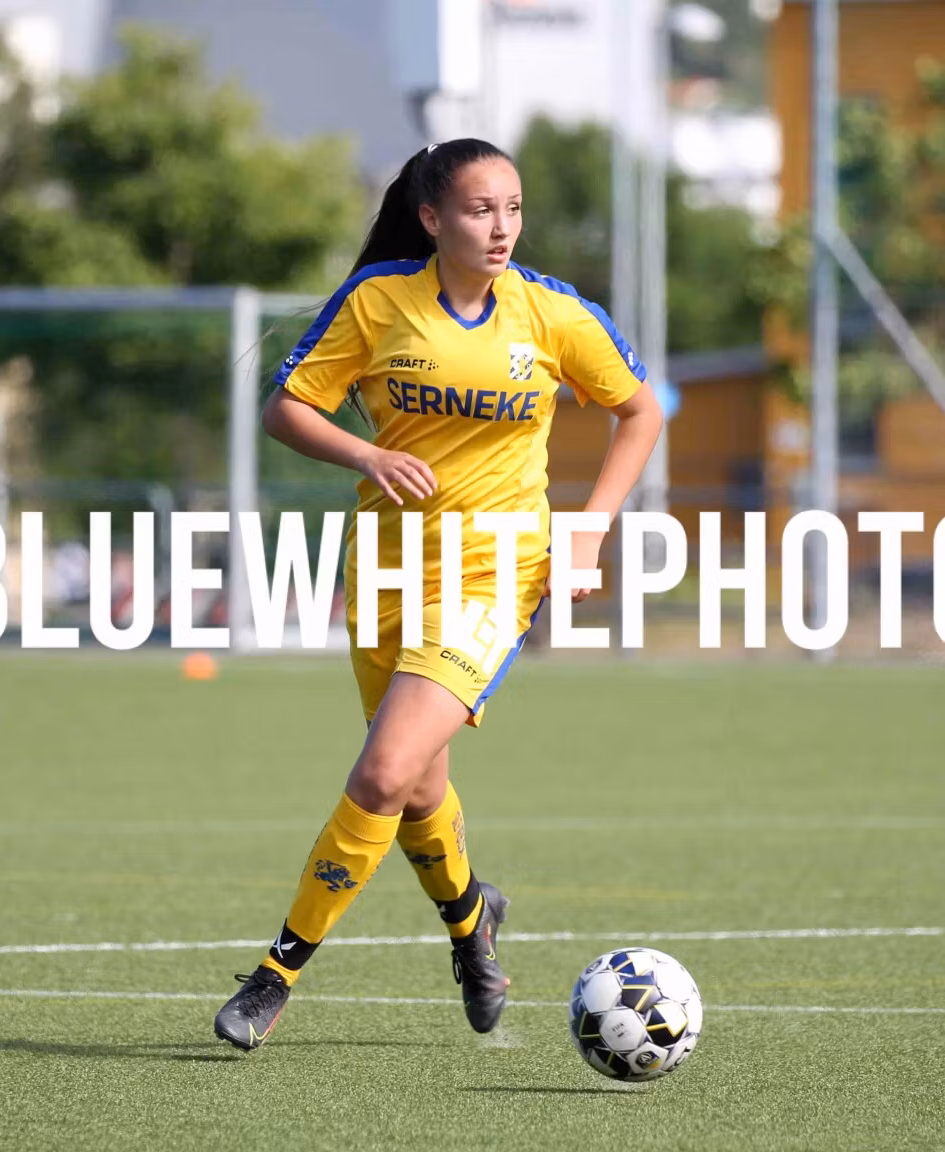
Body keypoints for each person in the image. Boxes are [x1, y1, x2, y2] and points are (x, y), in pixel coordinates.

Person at [212, 137, 663, 1051]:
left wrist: (588, 529)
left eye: (513, 209)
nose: (501, 228)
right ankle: (471, 924)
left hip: (495, 574)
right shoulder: (377, 303)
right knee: (417, 788)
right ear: (431, 218)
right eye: (479, 210)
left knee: (381, 773)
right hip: (385, 569)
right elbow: (286, 408)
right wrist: (367, 454)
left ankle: (275, 975)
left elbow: (640, 410)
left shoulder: (551, 313)